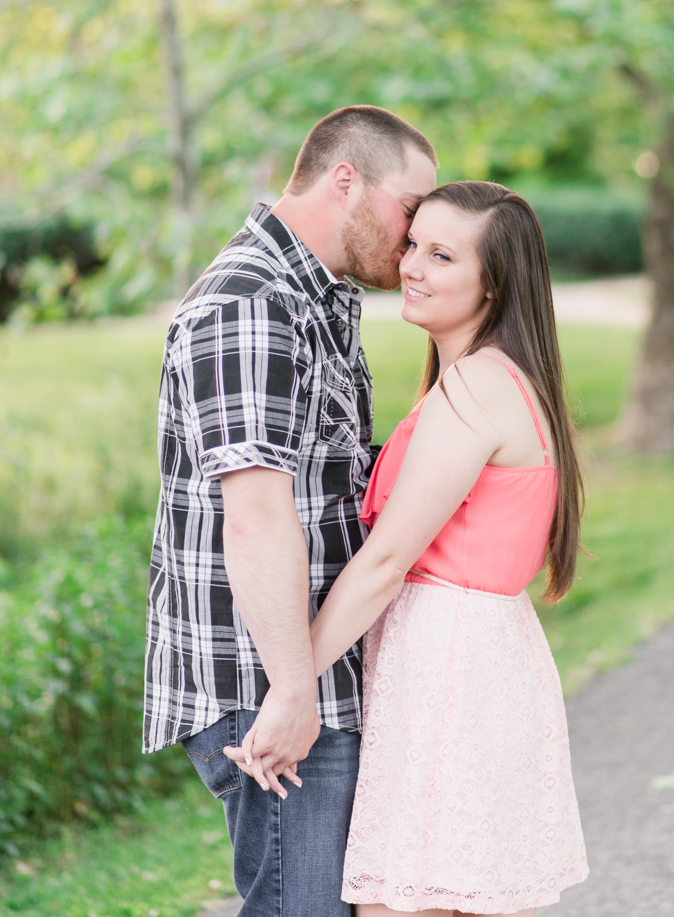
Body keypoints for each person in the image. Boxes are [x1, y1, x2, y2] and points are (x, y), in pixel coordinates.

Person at [231, 180, 588, 915]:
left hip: (448, 666)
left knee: (406, 900)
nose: (412, 267)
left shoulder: (476, 390)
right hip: (472, 654)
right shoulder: (484, 380)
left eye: (442, 254)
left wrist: (288, 690)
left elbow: (387, 561)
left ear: (495, 283)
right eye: (413, 244)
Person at [142, 105, 438, 917]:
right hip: (267, 678)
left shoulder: (320, 294)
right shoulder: (252, 304)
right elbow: (259, 517)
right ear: (346, 181)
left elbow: (333, 477)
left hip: (306, 664)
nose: (416, 237)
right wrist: (293, 691)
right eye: (411, 210)